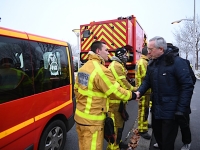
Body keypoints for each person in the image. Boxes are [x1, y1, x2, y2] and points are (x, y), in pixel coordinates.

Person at [74, 41, 136, 150]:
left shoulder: (83, 68)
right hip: (93, 122)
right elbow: (115, 91)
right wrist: (133, 95)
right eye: (106, 50)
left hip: (80, 118)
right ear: (98, 51)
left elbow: (76, 90)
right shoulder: (101, 70)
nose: (109, 53)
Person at [135, 36, 194, 150]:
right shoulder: (152, 64)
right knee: (159, 138)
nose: (148, 52)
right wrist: (139, 92)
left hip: (171, 112)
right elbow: (147, 81)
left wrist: (181, 109)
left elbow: (187, 86)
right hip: (157, 109)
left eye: (151, 49)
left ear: (161, 49)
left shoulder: (177, 63)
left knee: (167, 143)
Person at [153, 43, 196, 150]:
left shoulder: (183, 62)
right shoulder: (160, 63)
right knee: (166, 126)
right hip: (169, 102)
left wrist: (180, 92)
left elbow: (191, 80)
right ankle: (163, 141)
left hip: (181, 99)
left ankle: (187, 142)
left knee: (183, 122)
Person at [107, 47, 137, 150]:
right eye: (125, 54)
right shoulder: (116, 66)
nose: (127, 56)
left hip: (118, 102)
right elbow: (123, 83)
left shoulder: (119, 65)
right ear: (120, 55)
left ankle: (118, 143)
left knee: (120, 125)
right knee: (115, 128)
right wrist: (134, 91)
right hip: (114, 103)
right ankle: (113, 147)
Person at [135, 46, 151, 140]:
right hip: (144, 91)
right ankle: (142, 130)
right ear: (147, 53)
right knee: (143, 110)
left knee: (144, 110)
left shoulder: (141, 61)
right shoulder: (144, 62)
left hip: (143, 90)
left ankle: (144, 125)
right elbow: (146, 77)